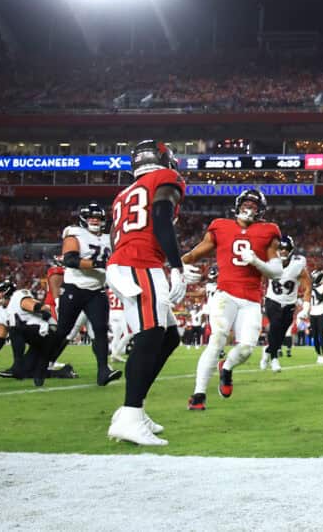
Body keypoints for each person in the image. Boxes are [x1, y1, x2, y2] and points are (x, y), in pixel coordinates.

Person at [105, 140, 188, 446]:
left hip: (126, 260)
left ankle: (134, 408)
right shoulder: (165, 179)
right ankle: (130, 413)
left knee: (168, 337)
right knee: (151, 334)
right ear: (165, 159)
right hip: (140, 262)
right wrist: (176, 266)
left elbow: (115, 237)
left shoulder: (122, 194)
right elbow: (162, 219)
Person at [181, 189, 281, 410]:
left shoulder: (269, 231)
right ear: (237, 205)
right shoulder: (220, 226)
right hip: (225, 294)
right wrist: (181, 263)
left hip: (252, 299)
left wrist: (256, 261)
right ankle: (198, 395)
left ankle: (226, 368)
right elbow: (199, 250)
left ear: (261, 211)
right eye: (246, 203)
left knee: (246, 349)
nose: (249, 208)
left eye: (254, 206)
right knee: (217, 340)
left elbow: (276, 271)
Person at [48, 203, 120, 386]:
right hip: (75, 288)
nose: (94, 221)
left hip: (97, 290)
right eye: (91, 217)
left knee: (101, 331)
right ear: (84, 219)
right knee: (64, 330)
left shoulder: (108, 238)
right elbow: (70, 259)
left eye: (98, 218)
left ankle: (103, 371)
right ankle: (42, 362)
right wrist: (99, 264)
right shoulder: (75, 233)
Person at [257, 235, 309, 372]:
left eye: (286, 248)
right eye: (281, 248)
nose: (283, 251)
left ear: (291, 249)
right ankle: (274, 359)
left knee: (281, 333)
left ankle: (267, 351)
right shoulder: (270, 261)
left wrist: (306, 306)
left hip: (289, 303)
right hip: (273, 300)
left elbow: (308, 285)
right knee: (275, 327)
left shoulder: (298, 264)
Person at [0, 278, 56, 385]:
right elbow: (1, 334)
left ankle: (17, 366)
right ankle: (63, 372)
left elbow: (35, 305)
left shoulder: (18, 296)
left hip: (46, 333)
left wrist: (42, 309)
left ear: (6, 291)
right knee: (27, 371)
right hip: (35, 340)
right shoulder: (1, 311)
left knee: (15, 325)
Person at [300, 268, 323, 363]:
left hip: (321, 313)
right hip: (313, 314)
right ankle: (319, 354)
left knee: (322, 335)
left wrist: (313, 288)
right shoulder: (312, 288)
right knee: (314, 335)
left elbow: (321, 297)